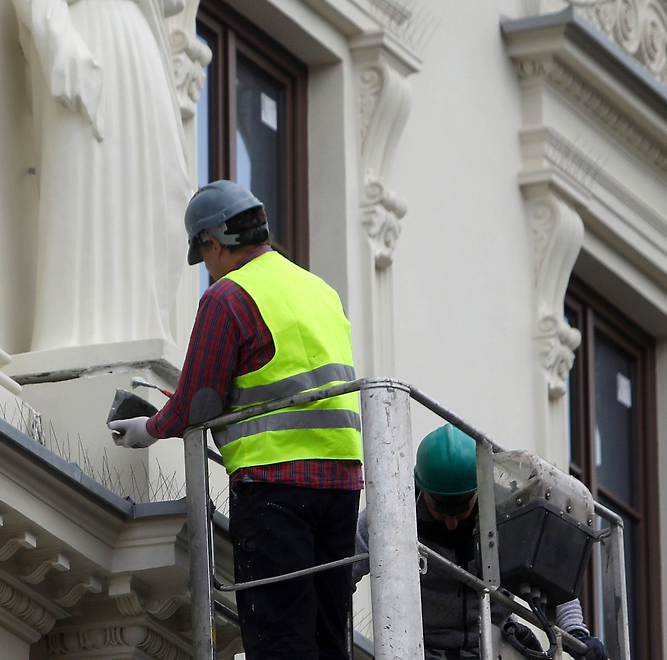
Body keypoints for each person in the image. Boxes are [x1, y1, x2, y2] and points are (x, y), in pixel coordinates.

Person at [110, 180, 363, 660]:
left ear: (213, 242)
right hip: (341, 482)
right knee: (329, 635)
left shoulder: (228, 297)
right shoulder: (318, 290)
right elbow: (281, 381)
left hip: (278, 486)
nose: (207, 269)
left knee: (280, 637)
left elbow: (197, 405)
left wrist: (148, 429)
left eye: (204, 256)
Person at [10, 0, 195, 351]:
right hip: (92, 52)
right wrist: (60, 41)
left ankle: (140, 329)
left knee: (156, 189)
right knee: (90, 185)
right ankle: (76, 334)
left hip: (136, 63)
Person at [352, 425, 609, 660]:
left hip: (495, 642)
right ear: (422, 489)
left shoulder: (509, 510)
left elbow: (552, 580)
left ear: (478, 489)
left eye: (461, 507)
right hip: (419, 647)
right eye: (440, 508)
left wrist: (576, 632)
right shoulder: (391, 514)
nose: (451, 522)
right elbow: (343, 569)